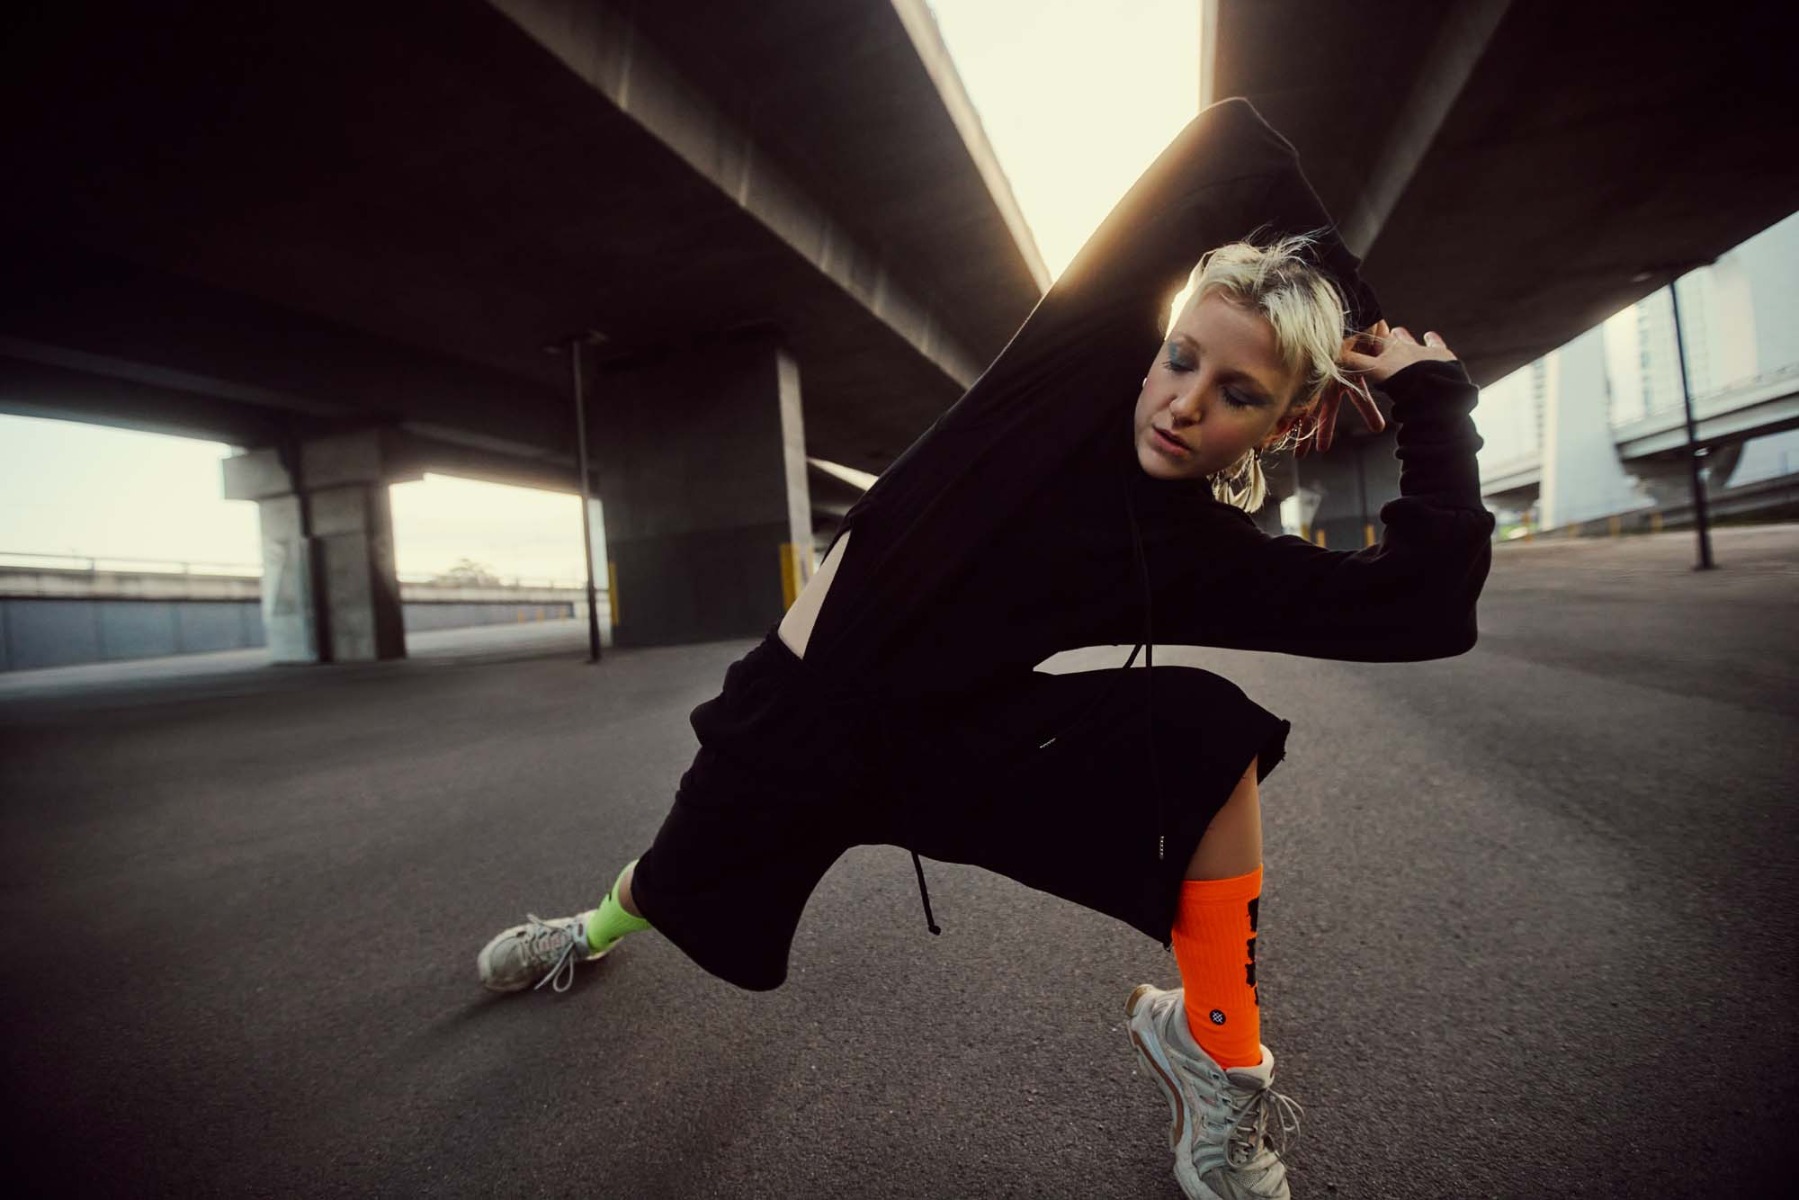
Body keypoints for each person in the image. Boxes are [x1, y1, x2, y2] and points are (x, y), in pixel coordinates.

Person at [476, 98, 1492, 1200]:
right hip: (790, 719)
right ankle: (587, 929)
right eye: (1179, 359)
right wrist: (1349, 306)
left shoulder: (1200, 551)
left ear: (1284, 424)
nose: (1183, 401)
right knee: (673, 883)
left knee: (1203, 732)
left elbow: (1423, 610)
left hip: (944, 747)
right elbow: (1234, 143)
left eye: (1236, 393)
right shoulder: (1067, 372)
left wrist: (1433, 403)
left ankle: (1215, 1055)